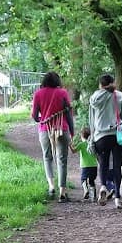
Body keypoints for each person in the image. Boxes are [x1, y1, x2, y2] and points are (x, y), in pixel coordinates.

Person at [88, 73, 122, 208]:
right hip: (117, 134)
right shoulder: (119, 96)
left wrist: (92, 137)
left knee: (103, 163)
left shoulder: (94, 98)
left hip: (101, 136)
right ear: (113, 83)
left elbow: (91, 120)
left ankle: (102, 187)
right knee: (117, 166)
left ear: (100, 85)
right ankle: (118, 198)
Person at [31, 71, 75, 203]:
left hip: (45, 129)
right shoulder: (62, 93)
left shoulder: (38, 94)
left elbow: (34, 115)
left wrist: (42, 119)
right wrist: (72, 132)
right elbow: (68, 114)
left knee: (47, 157)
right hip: (62, 129)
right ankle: (62, 191)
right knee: (62, 160)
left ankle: (51, 186)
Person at [70, 126, 98, 201]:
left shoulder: (81, 144)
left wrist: (70, 145)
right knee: (92, 181)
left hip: (85, 166)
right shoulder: (93, 144)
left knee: (83, 179)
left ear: (81, 136)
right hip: (94, 165)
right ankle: (94, 197)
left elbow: (73, 151)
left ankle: (86, 190)